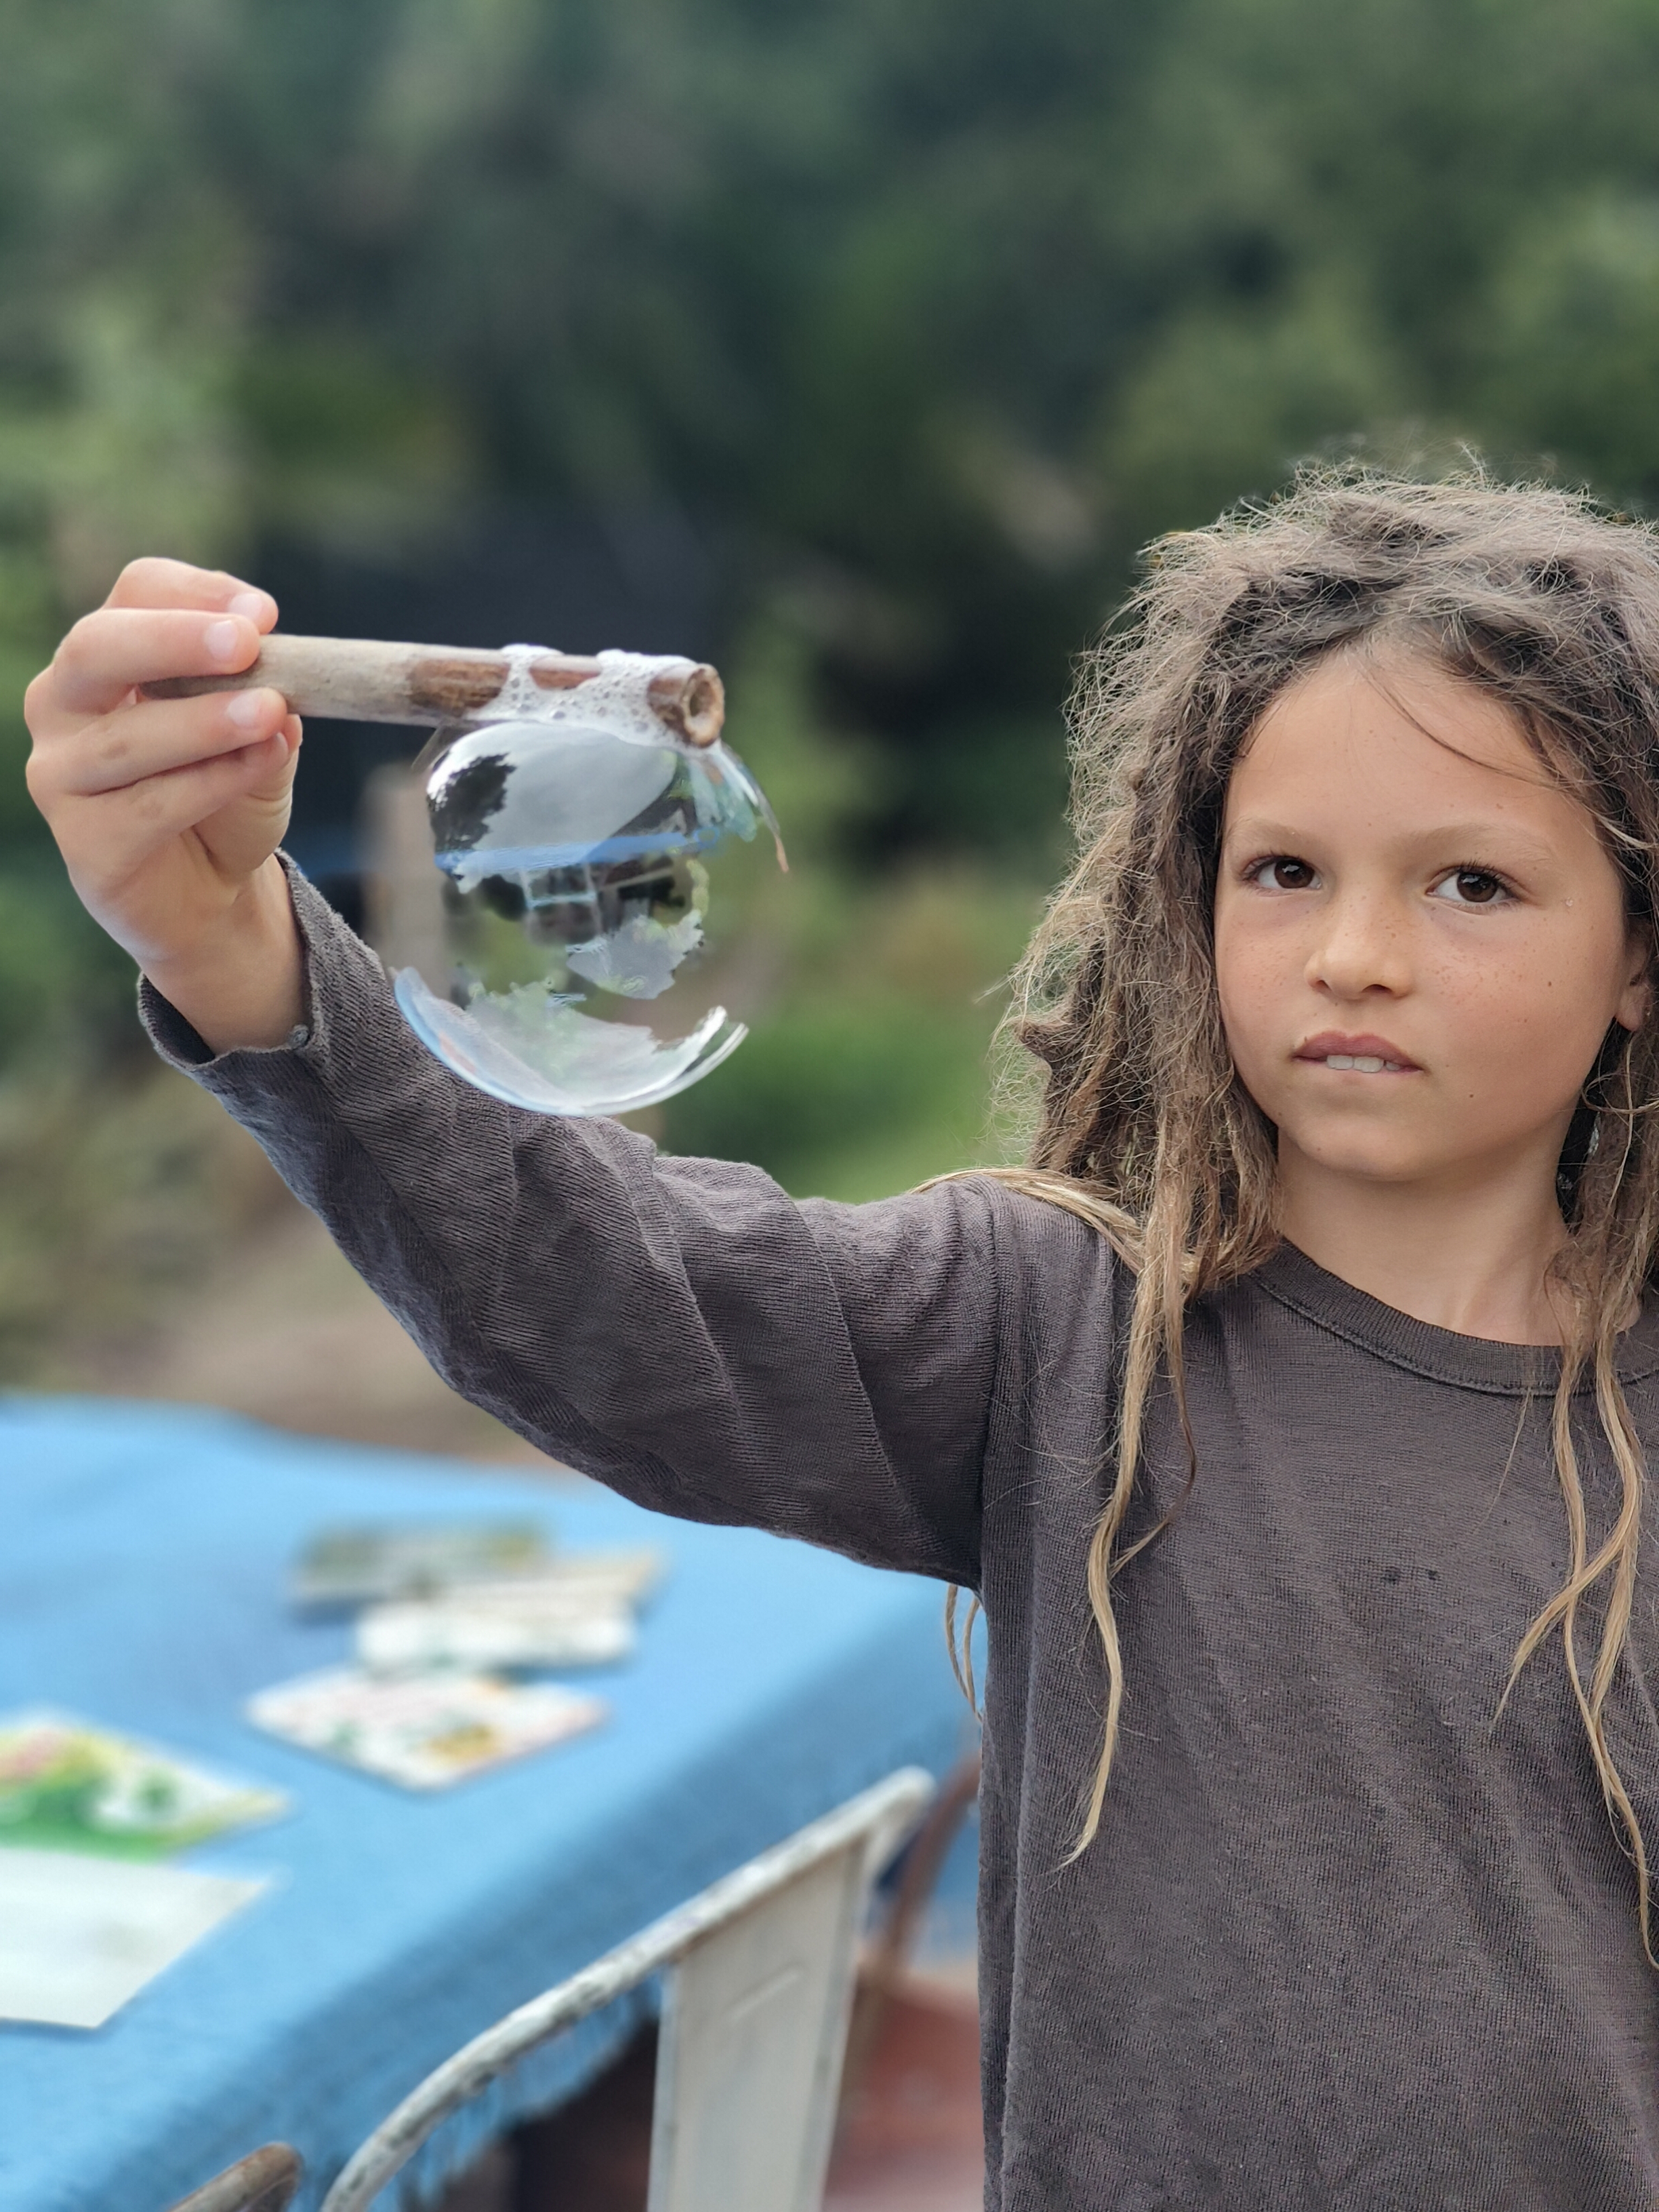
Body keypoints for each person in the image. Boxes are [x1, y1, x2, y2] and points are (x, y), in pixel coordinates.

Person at [24, 472, 1659, 2208]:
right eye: (1283, 870)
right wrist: (238, 952)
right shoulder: (1063, 1335)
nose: (1350, 955)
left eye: (1471, 884)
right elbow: (612, 1290)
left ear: (1639, 950)